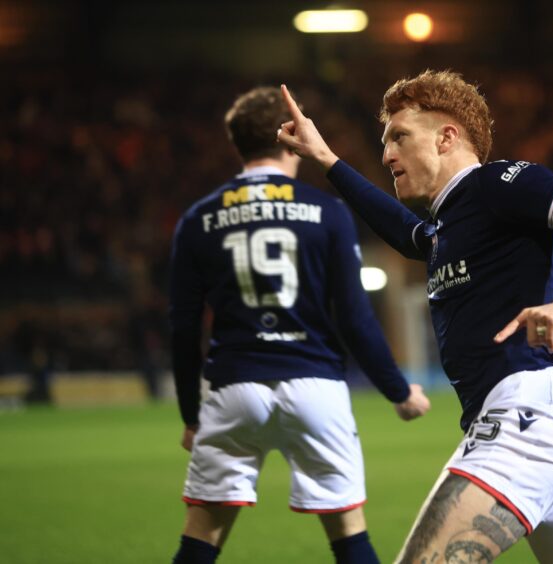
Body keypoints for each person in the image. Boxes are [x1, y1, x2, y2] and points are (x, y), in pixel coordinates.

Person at [276, 70, 553, 563]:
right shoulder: (447, 228)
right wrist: (326, 159)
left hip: (526, 417)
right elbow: (403, 231)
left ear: (447, 136)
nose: (388, 154)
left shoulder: (495, 184)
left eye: (399, 137)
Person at [168, 86, 431, 564]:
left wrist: (191, 414)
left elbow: (183, 328)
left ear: (238, 144)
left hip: (233, 388)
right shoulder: (327, 212)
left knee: (201, 537)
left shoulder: (199, 218)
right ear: (291, 136)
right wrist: (399, 392)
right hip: (315, 387)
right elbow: (354, 319)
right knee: (350, 534)